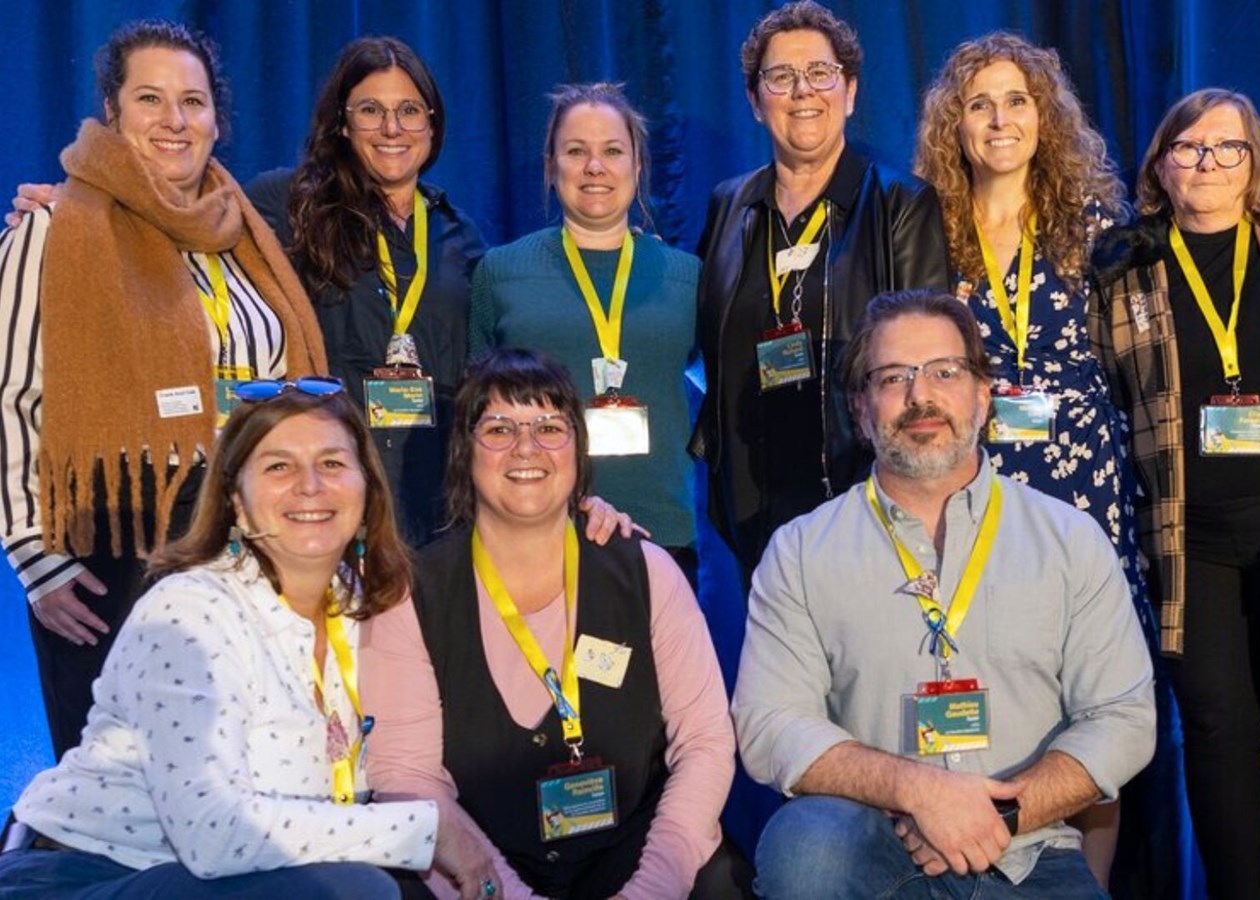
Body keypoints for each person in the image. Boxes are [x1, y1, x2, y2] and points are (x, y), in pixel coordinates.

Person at [732, 290, 1154, 898]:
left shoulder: (1069, 539)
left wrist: (995, 816)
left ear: (984, 396)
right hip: (874, 848)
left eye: (943, 372)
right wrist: (918, 791)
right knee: (806, 846)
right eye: (893, 377)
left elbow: (1123, 718)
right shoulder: (800, 551)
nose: (919, 396)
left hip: (1027, 852)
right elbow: (770, 724)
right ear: (860, 408)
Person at [0, 380, 495, 899]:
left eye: (331, 463)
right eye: (278, 466)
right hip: (85, 875)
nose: (310, 485)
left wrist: (585, 518)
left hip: (236, 879)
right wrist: (423, 830)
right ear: (236, 502)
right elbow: (214, 836)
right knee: (354, 891)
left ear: (368, 489)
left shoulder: (362, 601)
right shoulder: (190, 611)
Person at [0, 19, 326, 760]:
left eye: (193, 101)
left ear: (218, 119)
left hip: (250, 549)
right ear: (112, 113)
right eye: (150, 98)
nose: (174, 121)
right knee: (127, 794)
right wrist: (34, 560)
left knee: (246, 780)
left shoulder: (245, 236)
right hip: (114, 553)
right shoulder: (53, 231)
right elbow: (10, 401)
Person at [1088, 88, 1260, 900]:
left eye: (1228, 148)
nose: (1207, 163)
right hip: (1185, 537)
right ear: (1160, 168)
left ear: (1257, 168)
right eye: (1189, 148)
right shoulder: (1123, 272)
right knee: (1217, 730)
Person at [362, 348, 742, 899]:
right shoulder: (410, 597)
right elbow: (408, 781)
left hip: (638, 861)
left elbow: (706, 741)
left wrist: (654, 888)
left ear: (577, 450)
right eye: (498, 428)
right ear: (463, 451)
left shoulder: (647, 571)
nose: (526, 448)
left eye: (549, 427)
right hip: (478, 872)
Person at [911, 34, 1145, 883]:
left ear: (1044, 116)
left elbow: (1219, 201)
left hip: (1083, 478)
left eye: (1016, 101)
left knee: (1087, 694)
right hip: (970, 476)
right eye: (980, 105)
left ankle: (1086, 884)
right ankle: (970, 866)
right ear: (955, 125)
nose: (1000, 120)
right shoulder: (929, 228)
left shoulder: (1096, 224)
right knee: (977, 672)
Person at [695, 0, 949, 577]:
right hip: (752, 495)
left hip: (863, 486)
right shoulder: (730, 205)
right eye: (780, 77)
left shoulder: (900, 203)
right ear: (756, 102)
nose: (802, 92)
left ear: (850, 92)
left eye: (820, 74)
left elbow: (926, 355)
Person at [247, 37, 486, 544]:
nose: (392, 128)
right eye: (371, 110)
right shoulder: (290, 207)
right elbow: (187, 207)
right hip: (332, 493)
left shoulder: (456, 233)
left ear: (432, 122)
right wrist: (79, 198)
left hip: (437, 497)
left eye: (409, 111)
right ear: (341, 121)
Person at [470, 83, 701, 579]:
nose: (595, 167)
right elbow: (473, 415)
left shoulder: (687, 277)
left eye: (613, 151)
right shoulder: (500, 271)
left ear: (638, 167)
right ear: (551, 167)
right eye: (576, 152)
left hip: (661, 532)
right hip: (535, 530)